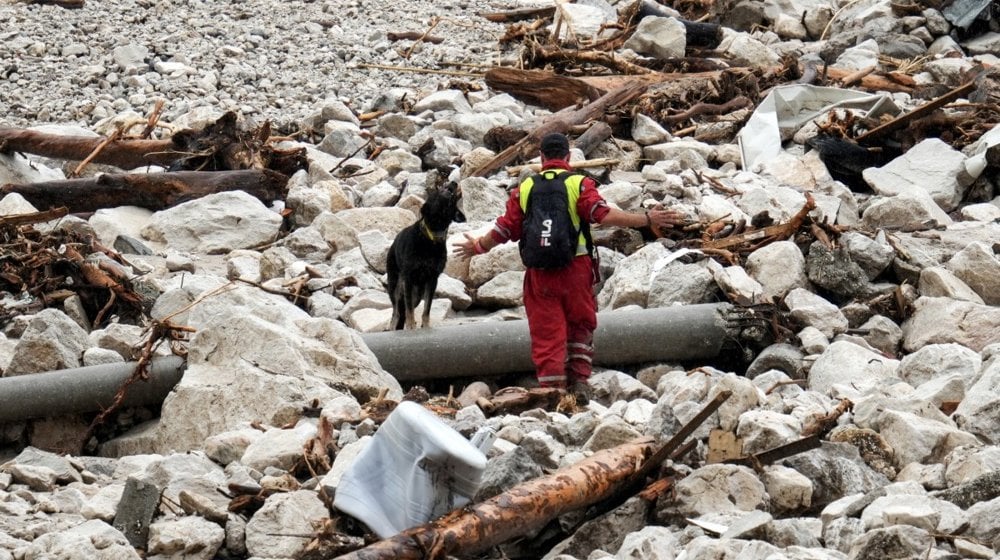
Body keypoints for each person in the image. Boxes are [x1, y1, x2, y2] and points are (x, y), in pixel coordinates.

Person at [454, 132, 685, 404]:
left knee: (547, 335)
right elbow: (603, 215)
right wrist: (646, 219)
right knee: (581, 326)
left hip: (540, 275)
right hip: (577, 270)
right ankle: (580, 386)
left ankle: (554, 397)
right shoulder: (579, 183)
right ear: (568, 157)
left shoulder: (525, 188)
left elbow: (505, 229)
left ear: (541, 158)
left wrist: (478, 247)